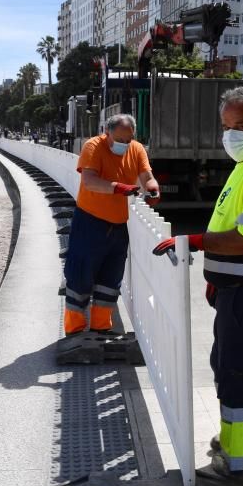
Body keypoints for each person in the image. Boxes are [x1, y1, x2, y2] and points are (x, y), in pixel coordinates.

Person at [152, 87, 243, 486]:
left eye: (241, 127)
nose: (230, 135)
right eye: (226, 127)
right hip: (242, 290)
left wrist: (196, 242)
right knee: (228, 365)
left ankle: (237, 465)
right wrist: (218, 279)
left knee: (234, 375)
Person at [63, 113, 160, 336]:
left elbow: (147, 176)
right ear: (107, 133)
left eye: (129, 140)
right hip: (90, 221)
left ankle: (101, 326)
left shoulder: (136, 149)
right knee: (80, 273)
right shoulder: (93, 147)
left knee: (111, 277)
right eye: (120, 140)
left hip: (117, 225)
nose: (125, 145)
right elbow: (89, 181)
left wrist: (153, 188)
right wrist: (117, 187)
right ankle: (74, 329)